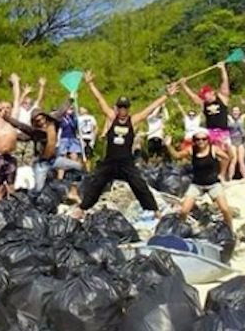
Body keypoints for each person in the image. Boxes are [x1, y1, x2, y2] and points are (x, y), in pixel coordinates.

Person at [73, 71, 178, 220]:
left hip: (126, 162)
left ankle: (154, 210)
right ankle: (82, 208)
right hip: (110, 161)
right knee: (96, 184)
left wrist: (166, 96)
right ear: (117, 108)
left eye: (125, 108)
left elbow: (150, 108)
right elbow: (100, 101)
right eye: (120, 108)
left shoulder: (133, 120)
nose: (122, 111)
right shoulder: (111, 117)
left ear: (128, 109)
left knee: (139, 185)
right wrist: (90, 84)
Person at [165, 128, 233, 229]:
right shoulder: (192, 150)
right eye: (198, 139)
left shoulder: (213, 149)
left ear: (208, 139)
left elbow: (228, 158)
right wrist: (168, 145)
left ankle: (230, 230)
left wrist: (222, 173)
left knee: (225, 209)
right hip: (197, 185)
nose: (201, 141)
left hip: (213, 184)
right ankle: (180, 230)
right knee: (184, 211)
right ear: (194, 140)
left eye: (203, 139)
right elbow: (177, 156)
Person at [180, 62, 232, 180]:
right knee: (212, 154)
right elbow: (193, 97)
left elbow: (225, 83)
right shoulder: (204, 104)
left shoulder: (222, 98)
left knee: (228, 156)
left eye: (205, 95)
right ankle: (214, 174)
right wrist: (184, 86)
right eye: (203, 96)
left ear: (212, 92)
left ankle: (222, 174)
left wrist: (222, 69)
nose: (204, 97)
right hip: (211, 132)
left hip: (223, 132)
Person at [227, 106, 245, 180]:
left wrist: (241, 122)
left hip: (240, 141)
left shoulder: (242, 120)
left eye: (237, 111)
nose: (235, 112)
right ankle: (230, 178)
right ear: (232, 112)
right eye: (234, 111)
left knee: (241, 160)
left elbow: (244, 133)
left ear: (239, 112)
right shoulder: (229, 120)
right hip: (232, 141)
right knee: (233, 160)